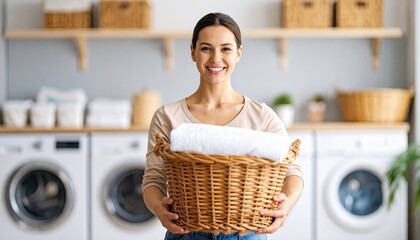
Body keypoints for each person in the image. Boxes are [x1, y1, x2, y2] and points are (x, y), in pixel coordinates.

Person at [142, 12, 304, 240]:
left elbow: (292, 171)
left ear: (238, 53)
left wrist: (285, 206)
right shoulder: (168, 116)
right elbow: (153, 179)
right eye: (206, 48)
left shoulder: (262, 116)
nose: (216, 59)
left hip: (247, 234)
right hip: (187, 233)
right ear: (192, 52)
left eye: (226, 49)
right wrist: (159, 208)